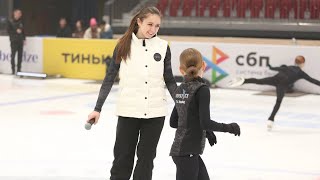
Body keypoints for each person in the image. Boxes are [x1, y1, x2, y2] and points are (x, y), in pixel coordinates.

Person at [87, 6, 177, 180]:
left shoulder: (163, 47)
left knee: (146, 160)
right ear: (139, 21)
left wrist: (183, 106)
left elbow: (170, 80)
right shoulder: (123, 45)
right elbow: (109, 78)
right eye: (150, 24)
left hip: (155, 113)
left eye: (157, 26)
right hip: (128, 111)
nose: (153, 29)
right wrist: (97, 108)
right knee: (122, 158)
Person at [170, 48, 241, 180]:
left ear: (181, 69)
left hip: (183, 152)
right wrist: (229, 127)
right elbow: (205, 122)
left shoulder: (181, 88)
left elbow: (174, 122)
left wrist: (206, 131)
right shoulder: (202, 89)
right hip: (188, 153)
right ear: (203, 66)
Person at [229, 55, 320, 130]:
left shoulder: (287, 67)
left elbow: (274, 68)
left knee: (258, 81)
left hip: (275, 79)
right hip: (282, 85)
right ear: (303, 63)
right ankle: (271, 119)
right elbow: (313, 81)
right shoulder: (301, 73)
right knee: (278, 101)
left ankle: (244, 80)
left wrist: (270, 66)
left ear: (295, 62)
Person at [7, 9, 25, 74]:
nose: (19, 15)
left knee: (20, 56)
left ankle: (19, 70)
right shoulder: (10, 21)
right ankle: (13, 70)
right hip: (14, 41)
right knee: (13, 56)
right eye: (18, 13)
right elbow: (8, 31)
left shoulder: (21, 21)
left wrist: (24, 39)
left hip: (20, 41)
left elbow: (23, 31)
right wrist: (16, 31)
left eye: (20, 14)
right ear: (14, 14)